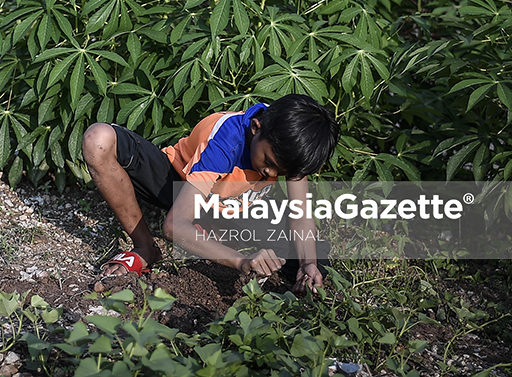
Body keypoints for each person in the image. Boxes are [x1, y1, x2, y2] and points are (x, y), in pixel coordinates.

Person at [81, 94, 339, 293]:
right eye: (269, 162)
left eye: (281, 171)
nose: (270, 172)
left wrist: (308, 264)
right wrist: (242, 261)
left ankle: (211, 234)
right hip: (178, 186)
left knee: (318, 257)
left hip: (238, 205)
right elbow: (173, 226)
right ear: (255, 128)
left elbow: (300, 215)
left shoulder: (294, 143)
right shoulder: (226, 140)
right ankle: (145, 247)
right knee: (99, 138)